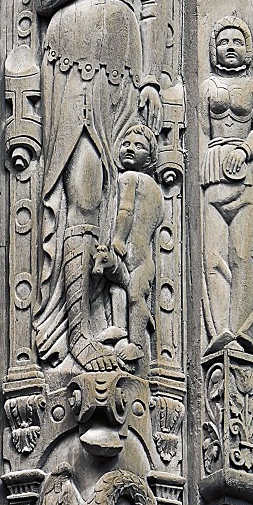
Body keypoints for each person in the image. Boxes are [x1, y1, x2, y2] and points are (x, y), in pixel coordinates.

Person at [34, 0, 165, 372]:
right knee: (80, 191)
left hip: (122, 74)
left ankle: (115, 321)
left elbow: (159, 8)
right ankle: (77, 329)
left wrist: (156, 78)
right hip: (67, 67)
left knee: (120, 196)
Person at [200, 17, 253, 353]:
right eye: (224, 41)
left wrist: (244, 150)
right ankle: (219, 330)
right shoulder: (207, 86)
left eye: (238, 42)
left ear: (248, 51)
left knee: (245, 255)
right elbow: (200, 129)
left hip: (247, 175)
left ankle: (243, 330)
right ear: (213, 49)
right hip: (212, 172)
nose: (230, 47)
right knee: (213, 257)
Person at [94, 123, 164, 369]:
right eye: (126, 144)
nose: (130, 149)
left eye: (139, 146)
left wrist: (119, 239)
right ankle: (120, 327)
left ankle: (136, 344)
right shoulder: (157, 190)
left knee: (135, 296)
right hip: (144, 259)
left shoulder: (128, 178)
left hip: (134, 256)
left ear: (151, 157)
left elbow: (125, 210)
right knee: (119, 290)